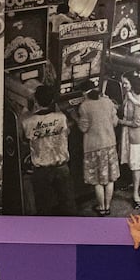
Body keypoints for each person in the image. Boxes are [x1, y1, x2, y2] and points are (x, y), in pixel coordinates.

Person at [19, 83, 71, 215]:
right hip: (62, 166)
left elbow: (23, 139)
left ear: (36, 100)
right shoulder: (61, 118)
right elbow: (67, 131)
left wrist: (26, 108)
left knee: (44, 206)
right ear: (52, 100)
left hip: (41, 170)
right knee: (67, 203)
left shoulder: (27, 121)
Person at [75, 79, 120, 216]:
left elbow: (84, 128)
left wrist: (74, 117)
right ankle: (108, 205)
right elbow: (115, 122)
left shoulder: (84, 106)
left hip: (93, 146)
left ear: (84, 93)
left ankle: (101, 207)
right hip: (110, 144)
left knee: (97, 180)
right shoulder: (108, 102)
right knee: (110, 178)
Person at [118, 73, 140, 211]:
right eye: (123, 83)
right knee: (130, 163)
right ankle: (131, 184)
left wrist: (120, 122)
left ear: (133, 84)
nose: (124, 86)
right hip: (127, 134)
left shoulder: (139, 99)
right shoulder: (128, 96)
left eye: (126, 83)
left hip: (135, 137)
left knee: (136, 166)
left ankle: (136, 194)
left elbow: (137, 122)